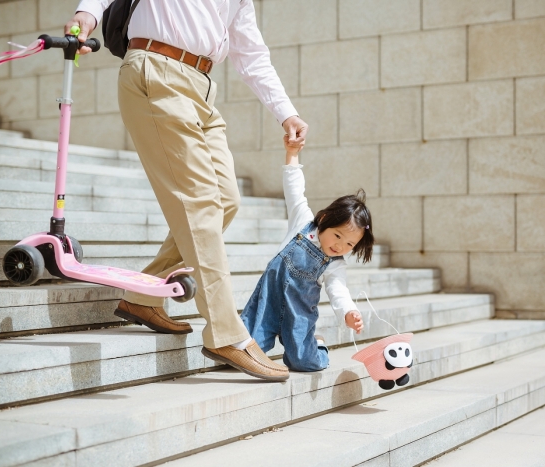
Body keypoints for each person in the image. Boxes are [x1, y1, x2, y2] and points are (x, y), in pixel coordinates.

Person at [66, 1, 309, 382]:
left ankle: (142, 296)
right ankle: (225, 333)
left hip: (202, 86)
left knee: (226, 200)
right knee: (200, 205)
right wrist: (87, 15)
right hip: (155, 70)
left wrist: (286, 112)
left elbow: (252, 54)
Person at [240, 134, 374, 372]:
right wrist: (292, 153)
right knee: (245, 351)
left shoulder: (335, 264)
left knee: (304, 363)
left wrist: (349, 312)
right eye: (338, 236)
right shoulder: (302, 222)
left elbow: (338, 291)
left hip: (299, 314)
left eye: (350, 245)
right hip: (268, 301)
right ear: (323, 219)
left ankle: (318, 345)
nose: (340, 246)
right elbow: (294, 188)